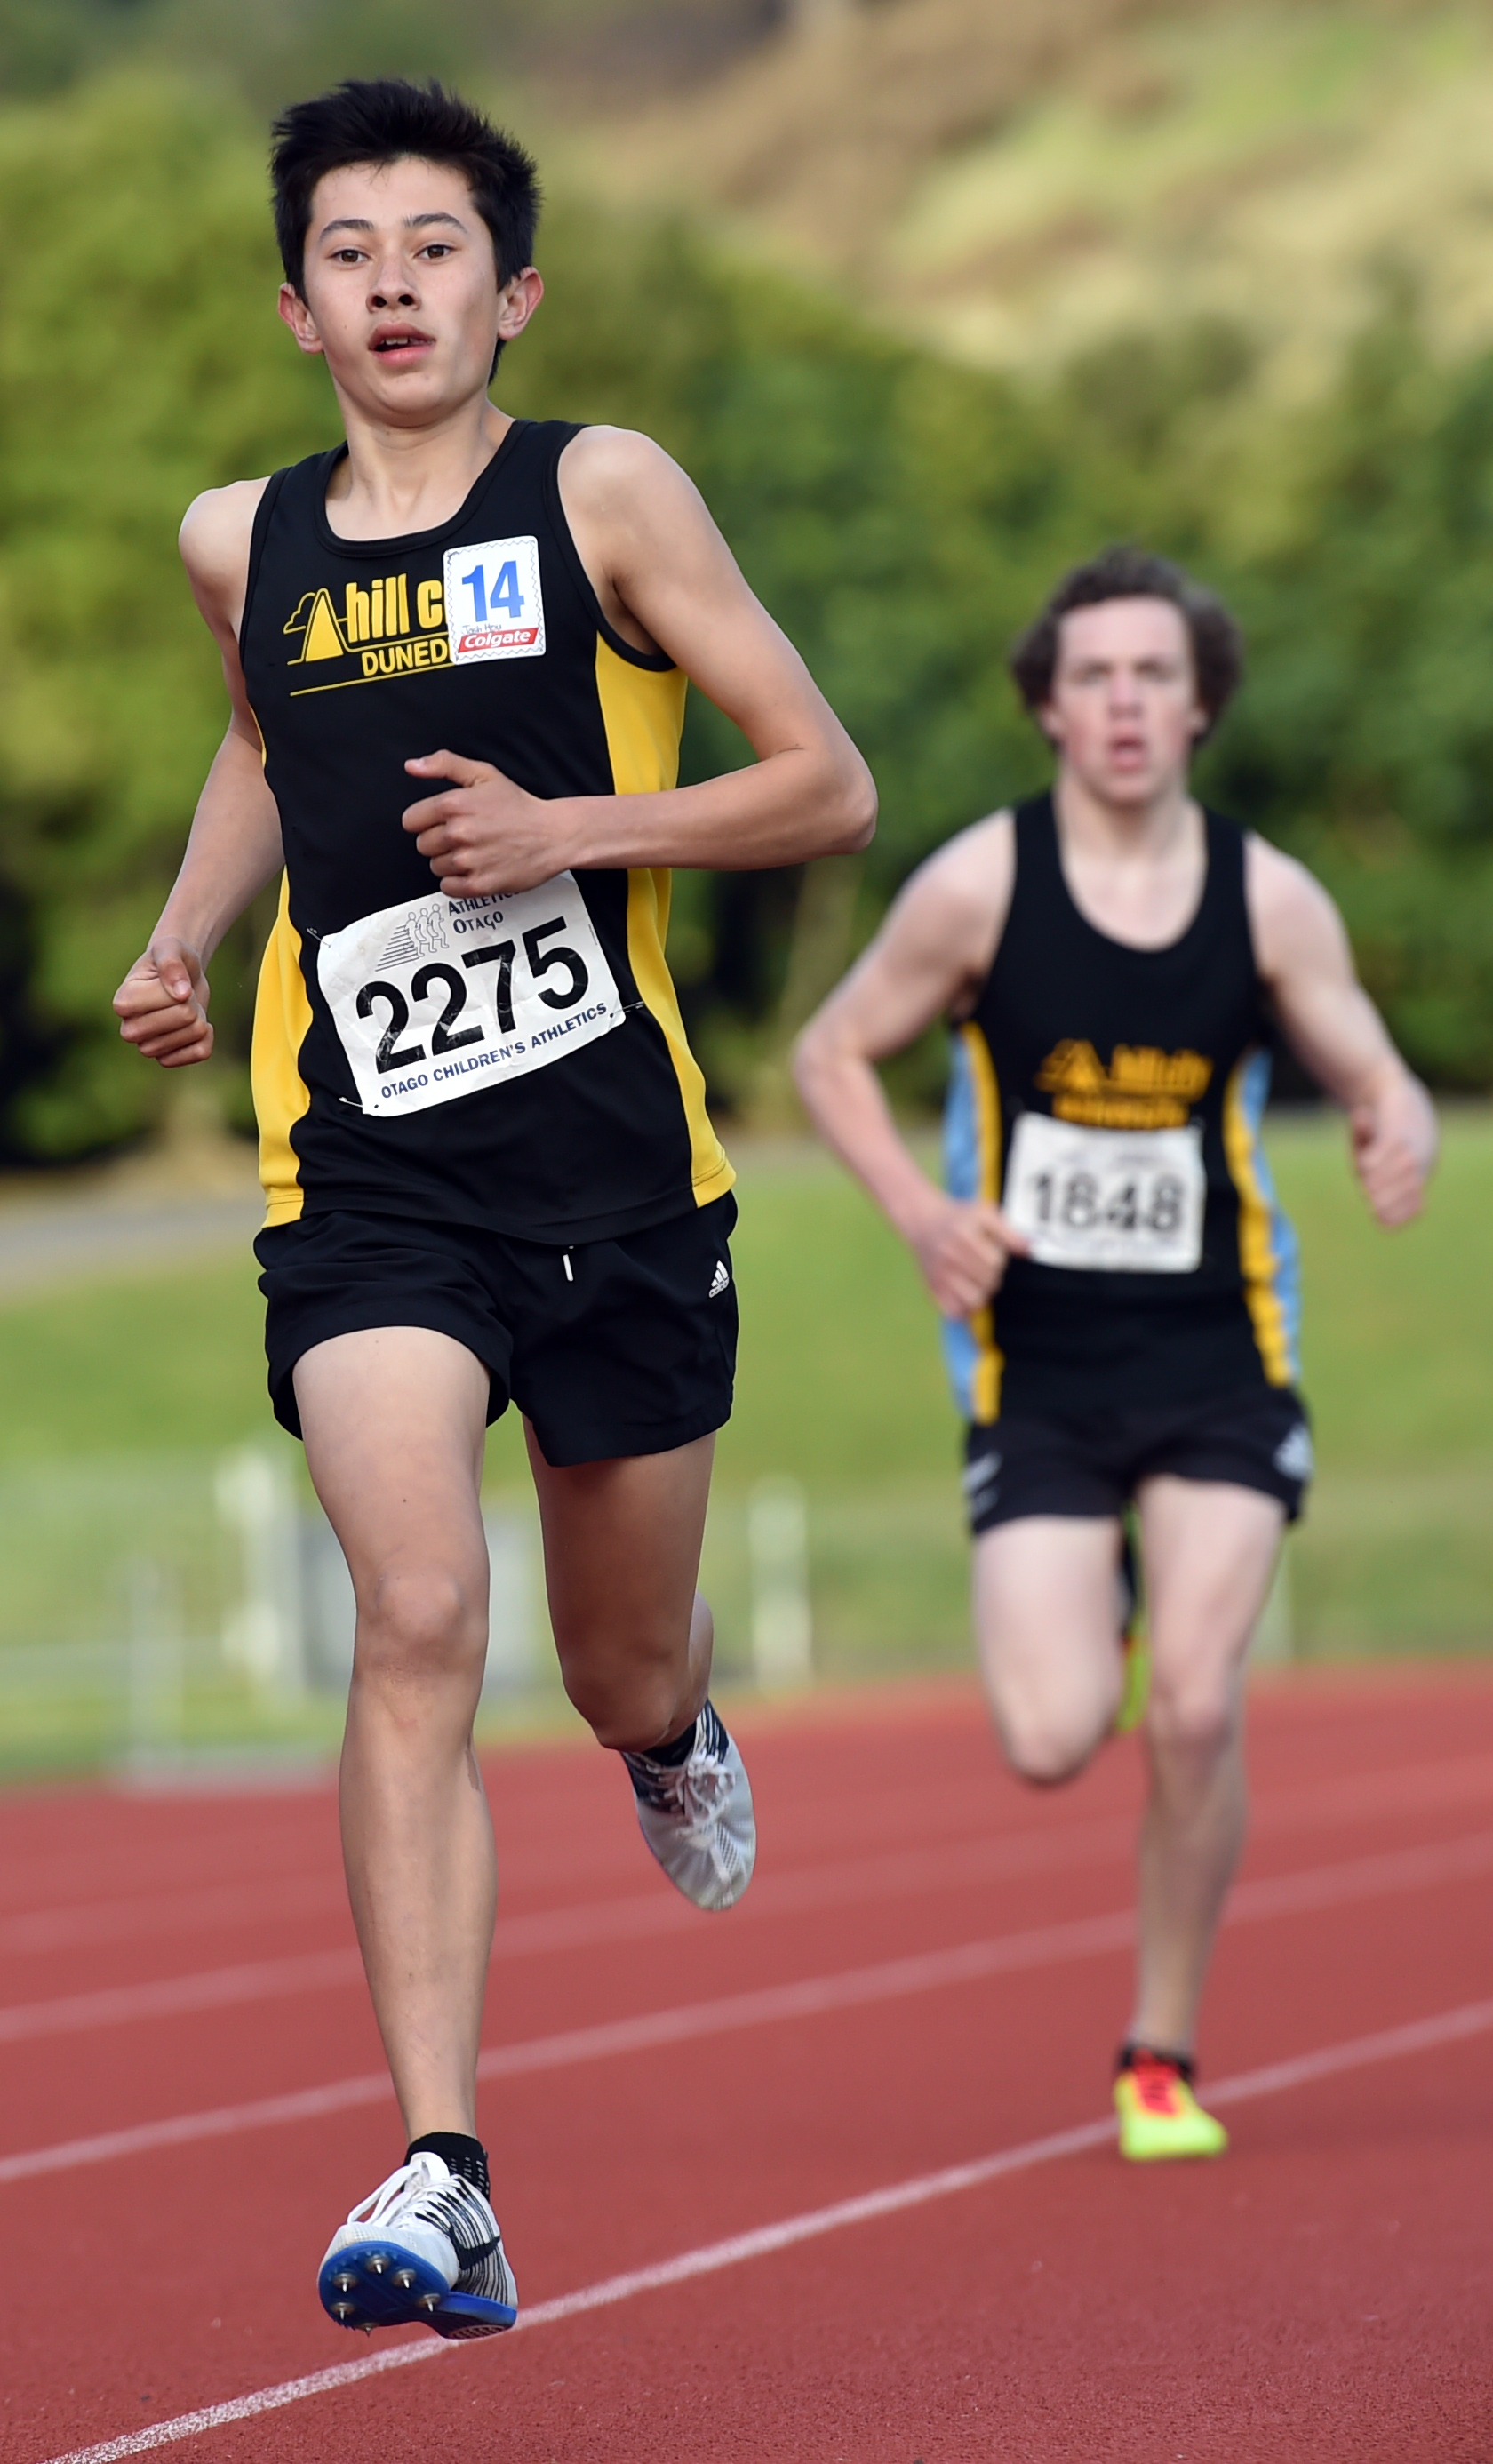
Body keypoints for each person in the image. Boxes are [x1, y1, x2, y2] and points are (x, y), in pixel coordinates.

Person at [115, 77, 875, 2336]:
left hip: (620, 1175)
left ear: (510, 288)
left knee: (612, 1653)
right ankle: (445, 2167)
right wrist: (184, 935)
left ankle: (671, 1740)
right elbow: (264, 742)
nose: (394, 285)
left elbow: (822, 783)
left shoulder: (604, 492)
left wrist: (574, 834)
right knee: (419, 1608)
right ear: (296, 308)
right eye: (349, 252)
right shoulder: (238, 539)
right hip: (367, 1184)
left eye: (435, 247)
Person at [793, 544, 1433, 2161]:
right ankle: (1117, 1585)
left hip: (1222, 1354)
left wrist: (1400, 1122)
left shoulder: (1269, 896)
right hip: (1040, 1376)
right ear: (1050, 707)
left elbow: (1373, 1064)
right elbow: (828, 1053)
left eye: (1156, 672)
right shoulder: (980, 889)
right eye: (1095, 675)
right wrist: (921, 1217)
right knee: (1051, 1736)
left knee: (1200, 1711)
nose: (1127, 701)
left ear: (1202, 701)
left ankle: (1161, 2047)